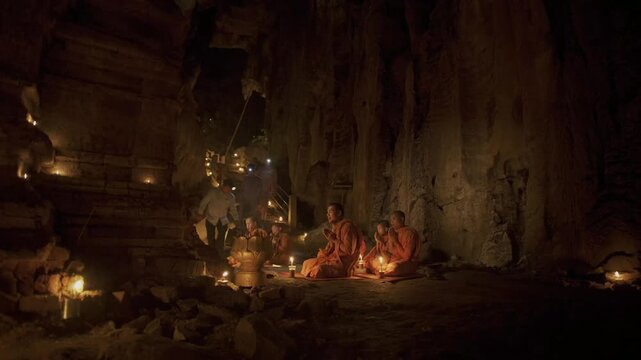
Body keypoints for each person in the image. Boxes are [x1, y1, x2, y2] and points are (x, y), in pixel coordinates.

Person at [300, 203, 364, 278]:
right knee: (306, 263)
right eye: (327, 213)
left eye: (331, 211)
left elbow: (349, 251)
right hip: (333, 260)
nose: (328, 215)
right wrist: (329, 242)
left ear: (339, 213)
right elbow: (330, 250)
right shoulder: (336, 228)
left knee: (319, 270)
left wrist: (335, 240)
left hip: (343, 263)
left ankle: (340, 272)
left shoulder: (347, 227)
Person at [197, 179, 239, 260]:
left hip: (223, 218)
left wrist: (236, 219)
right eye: (228, 188)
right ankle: (210, 254)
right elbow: (204, 202)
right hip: (211, 217)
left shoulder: (231, 197)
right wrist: (200, 213)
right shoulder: (213, 192)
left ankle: (219, 254)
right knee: (211, 236)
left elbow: (233, 209)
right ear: (224, 186)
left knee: (222, 236)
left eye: (230, 189)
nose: (229, 190)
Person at [383, 210, 421, 276]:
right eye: (391, 220)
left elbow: (406, 257)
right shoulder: (393, 232)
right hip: (393, 260)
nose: (391, 222)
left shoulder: (410, 233)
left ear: (402, 219)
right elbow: (388, 250)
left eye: (394, 219)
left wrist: (395, 241)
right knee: (373, 262)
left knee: (394, 267)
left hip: (407, 263)